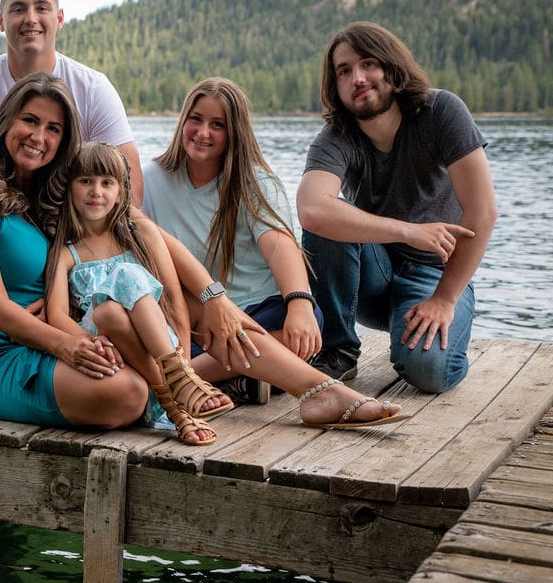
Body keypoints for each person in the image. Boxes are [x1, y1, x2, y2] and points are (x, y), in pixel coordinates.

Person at [0, 73, 152, 434]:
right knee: (128, 392)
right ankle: (179, 386)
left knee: (140, 347)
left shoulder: (49, 191)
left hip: (58, 332)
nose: (39, 137)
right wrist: (67, 345)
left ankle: (190, 380)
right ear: (6, 120)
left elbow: (130, 228)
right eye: (30, 121)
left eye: (54, 129)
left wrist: (212, 296)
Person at [296, 21, 496, 393]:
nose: (358, 77)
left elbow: (482, 212)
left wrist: (445, 299)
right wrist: (406, 230)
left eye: (368, 63)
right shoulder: (336, 138)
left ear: (391, 66)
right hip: (372, 274)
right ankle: (338, 350)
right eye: (344, 70)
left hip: (435, 274)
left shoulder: (441, 111)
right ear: (334, 84)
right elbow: (311, 209)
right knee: (326, 220)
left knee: (428, 371)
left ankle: (446, 334)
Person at [143, 77, 324, 402]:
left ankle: (187, 378)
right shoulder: (152, 180)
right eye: (195, 119)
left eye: (217, 125)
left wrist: (299, 302)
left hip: (256, 313)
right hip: (199, 324)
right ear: (182, 121)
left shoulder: (256, 182)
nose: (202, 133)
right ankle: (243, 376)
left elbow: (279, 244)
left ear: (234, 133)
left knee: (305, 324)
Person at [45, 142, 232, 445]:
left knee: (116, 301)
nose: (96, 191)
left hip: (154, 345)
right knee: (107, 307)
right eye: (85, 181)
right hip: (111, 350)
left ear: (121, 191)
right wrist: (92, 344)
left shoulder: (138, 236)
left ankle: (176, 393)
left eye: (107, 182)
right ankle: (177, 392)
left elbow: (171, 300)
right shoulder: (66, 253)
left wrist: (185, 357)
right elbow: (55, 316)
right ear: (70, 188)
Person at [0, 0, 143, 201]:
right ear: (0, 21)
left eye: (42, 8)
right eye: (18, 9)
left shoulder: (93, 89)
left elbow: (130, 190)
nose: (31, 18)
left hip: (70, 220)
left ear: (60, 18)